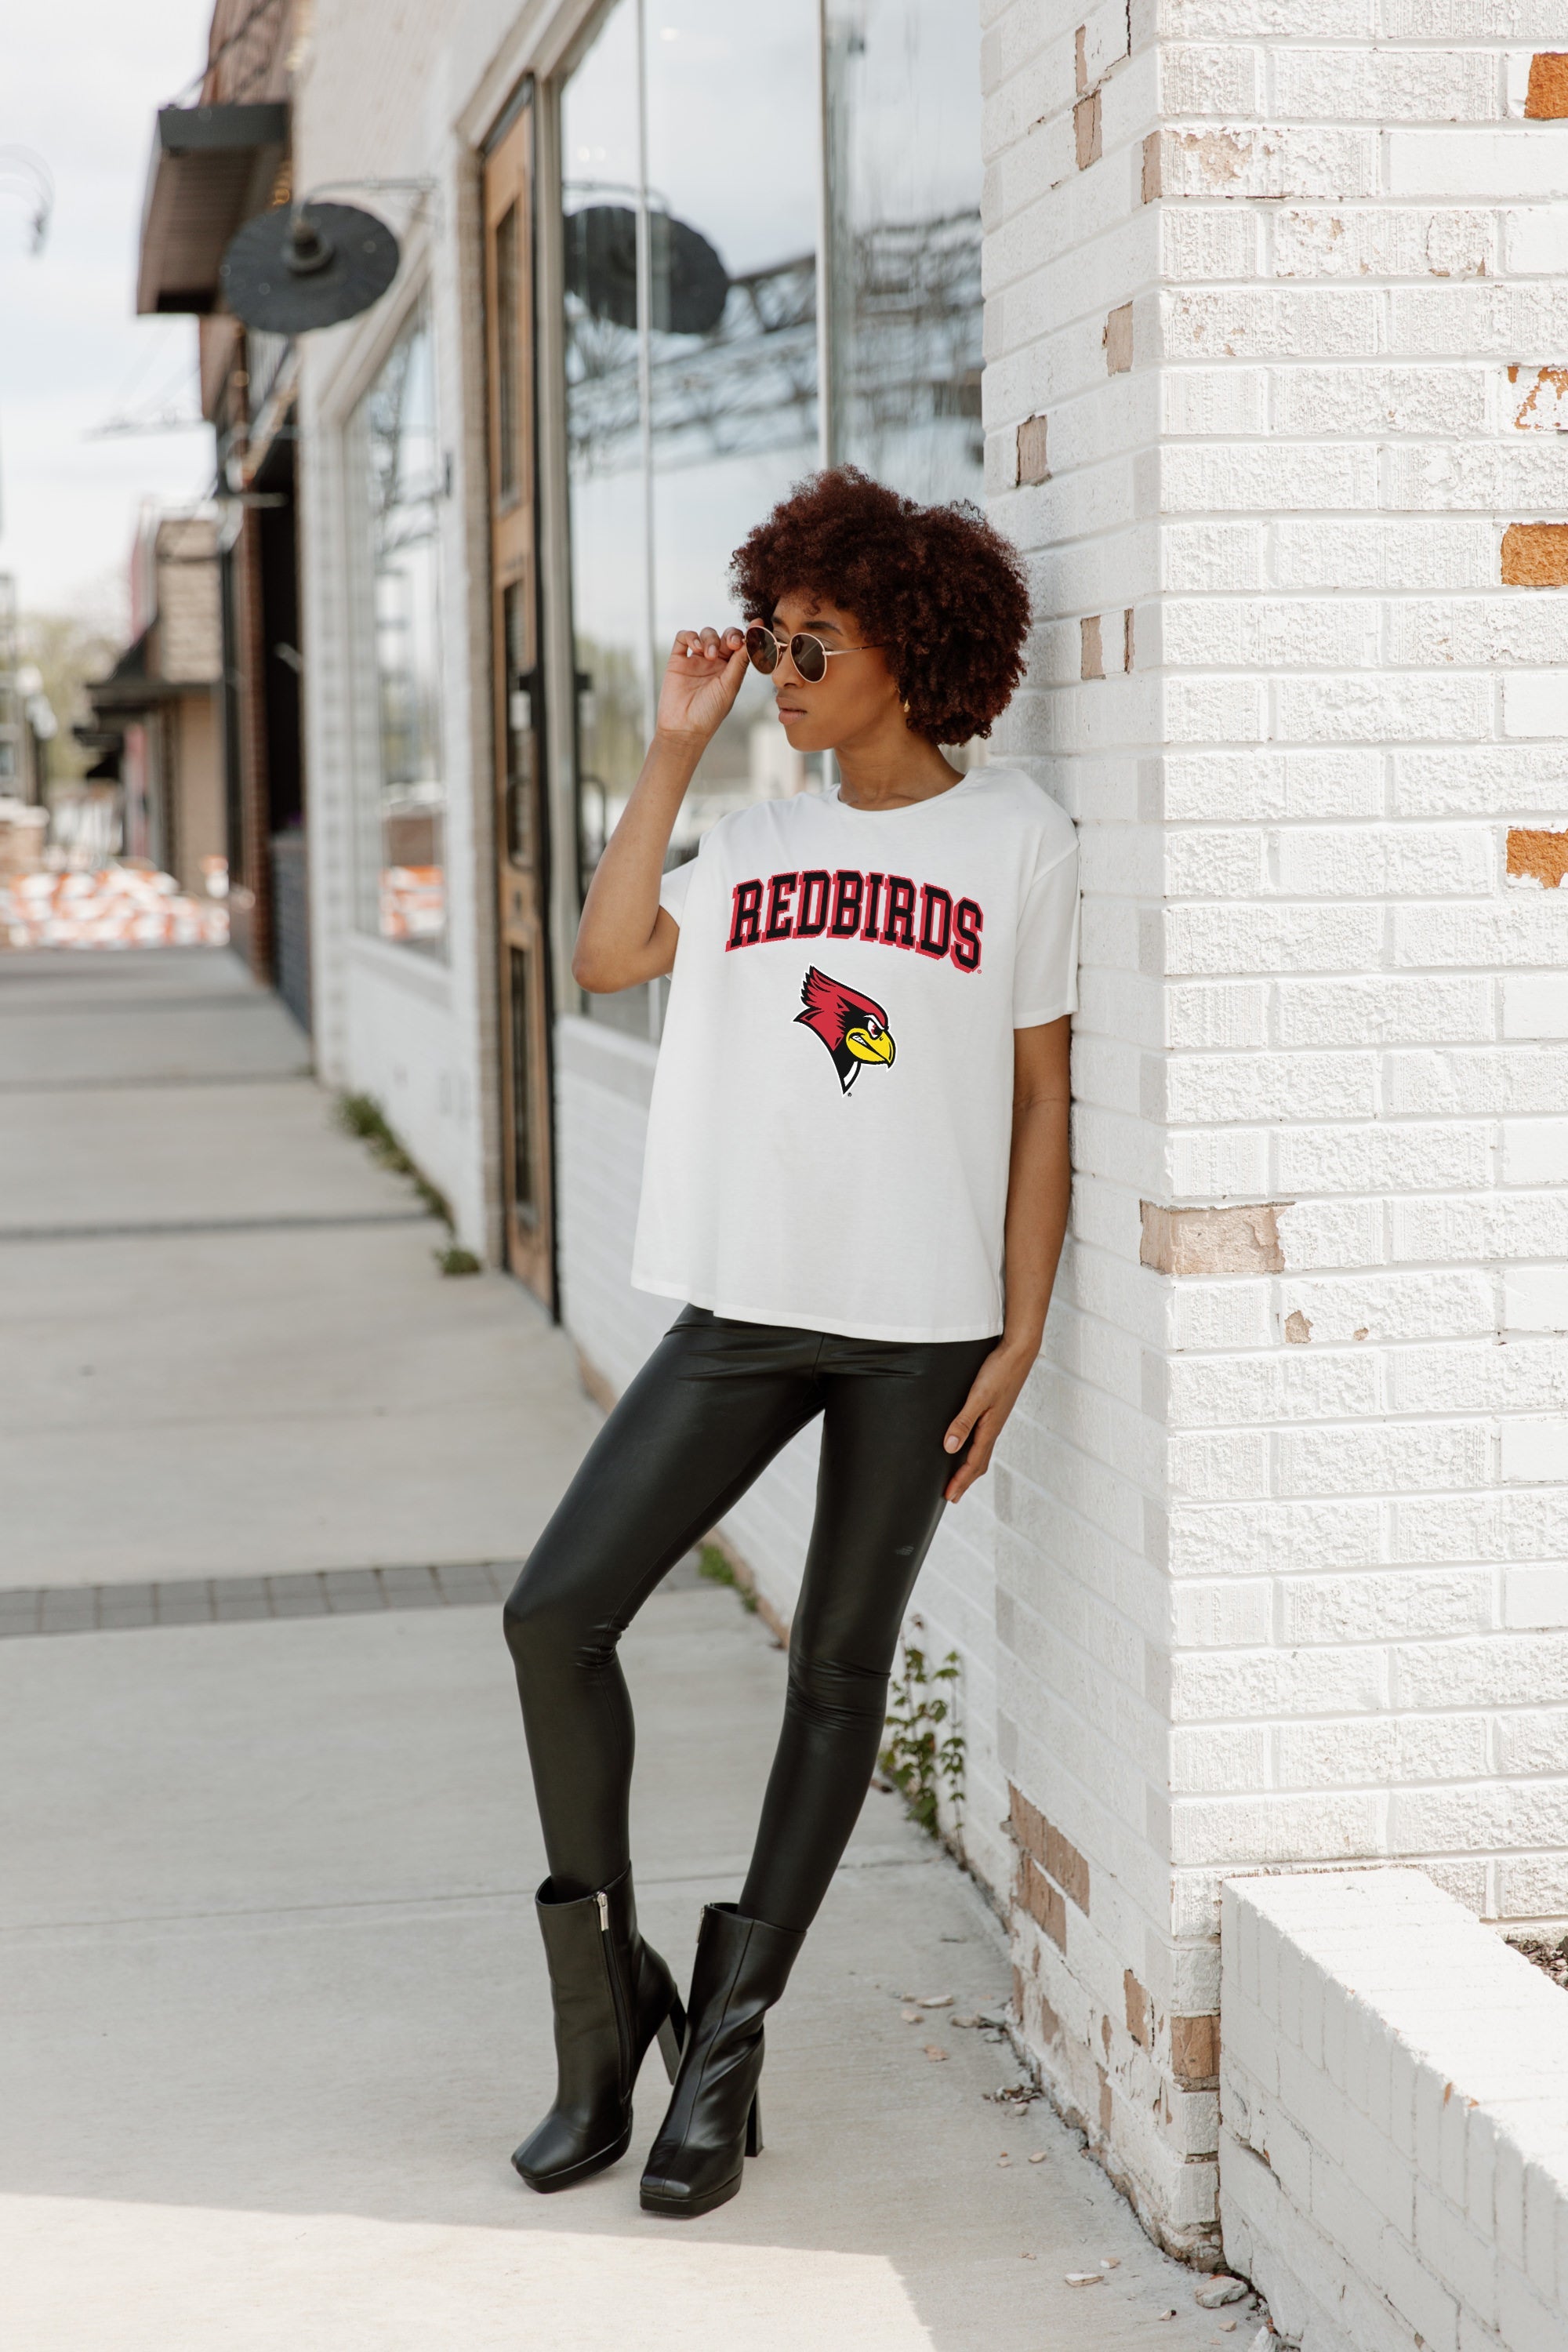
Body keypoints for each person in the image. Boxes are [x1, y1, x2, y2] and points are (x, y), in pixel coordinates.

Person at [503, 466, 1078, 2220]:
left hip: (922, 1330)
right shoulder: (752, 841)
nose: (783, 667)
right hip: (746, 1307)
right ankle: (608, 2018)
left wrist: (1022, 1330)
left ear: (911, 645)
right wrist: (676, 745)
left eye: (813, 639)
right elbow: (606, 955)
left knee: (837, 1674)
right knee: (553, 1613)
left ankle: (727, 2054)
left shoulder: (1019, 840)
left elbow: (1043, 1101)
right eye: (773, 638)